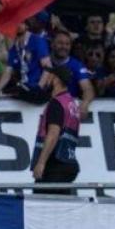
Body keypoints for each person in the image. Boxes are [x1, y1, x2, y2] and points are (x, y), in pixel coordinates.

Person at [30, 65, 81, 195]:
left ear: (55, 79)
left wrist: (41, 163)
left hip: (54, 165)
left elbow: (53, 134)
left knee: (40, 205)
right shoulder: (71, 103)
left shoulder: (56, 103)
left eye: (50, 75)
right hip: (68, 162)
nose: (47, 78)